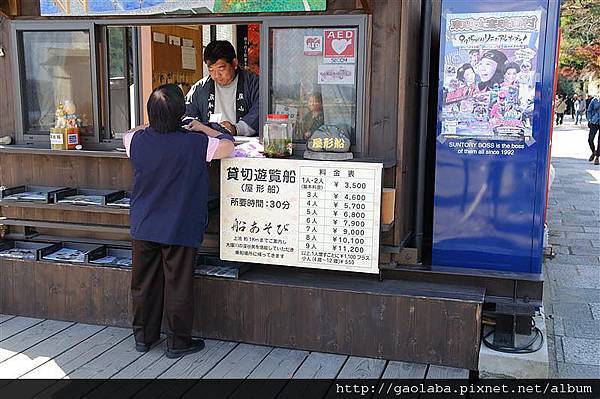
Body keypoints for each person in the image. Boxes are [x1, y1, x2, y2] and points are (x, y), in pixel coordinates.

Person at [124, 84, 234, 358]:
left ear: (150, 114)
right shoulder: (196, 143)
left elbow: (132, 131)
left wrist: (154, 121)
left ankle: (143, 337)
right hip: (180, 225)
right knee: (178, 285)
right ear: (181, 114)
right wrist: (200, 126)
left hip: (144, 224)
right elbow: (229, 146)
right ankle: (177, 342)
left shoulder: (135, 141)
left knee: (143, 283)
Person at [185, 40, 259, 136]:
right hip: (211, 145)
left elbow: (259, 111)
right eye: (211, 69)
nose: (216, 75)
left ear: (234, 63)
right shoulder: (200, 88)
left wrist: (236, 129)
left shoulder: (253, 83)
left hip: (245, 145)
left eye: (221, 68)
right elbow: (188, 115)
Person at [586, 94, 600, 165]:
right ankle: (593, 152)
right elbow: (589, 110)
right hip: (594, 122)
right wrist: (589, 120)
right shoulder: (595, 100)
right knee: (590, 139)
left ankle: (597, 157)